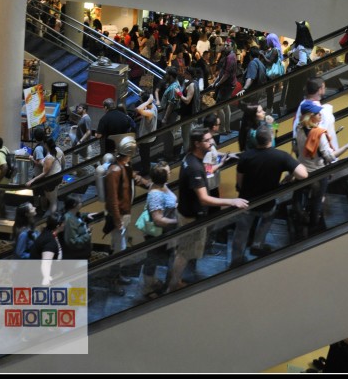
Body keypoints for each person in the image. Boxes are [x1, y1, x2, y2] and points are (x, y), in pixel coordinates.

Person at [167, 126, 248, 291]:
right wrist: (232, 201)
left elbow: (204, 170)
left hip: (188, 213)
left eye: (211, 139)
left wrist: (221, 163)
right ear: (197, 143)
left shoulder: (191, 158)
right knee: (183, 253)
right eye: (207, 140)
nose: (212, 142)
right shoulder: (194, 167)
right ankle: (173, 285)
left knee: (185, 251)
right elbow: (204, 198)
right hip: (190, 216)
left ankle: (176, 280)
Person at [231, 125, 308, 265]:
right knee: (267, 219)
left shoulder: (246, 157)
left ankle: (236, 260)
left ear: (256, 140)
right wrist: (290, 173)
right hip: (268, 202)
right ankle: (257, 244)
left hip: (246, 203)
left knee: (241, 232)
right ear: (271, 138)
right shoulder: (280, 156)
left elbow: (240, 182)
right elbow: (303, 174)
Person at [293, 101, 348, 232]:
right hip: (318, 172)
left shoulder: (299, 128)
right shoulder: (319, 134)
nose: (320, 116)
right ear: (310, 116)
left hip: (303, 170)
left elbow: (296, 148)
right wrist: (347, 146)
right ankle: (313, 227)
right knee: (317, 201)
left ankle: (300, 217)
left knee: (299, 196)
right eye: (317, 114)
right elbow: (330, 157)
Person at [104, 136, 145, 264]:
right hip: (119, 214)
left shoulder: (124, 165)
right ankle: (116, 274)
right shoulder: (115, 171)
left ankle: (117, 270)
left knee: (120, 242)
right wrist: (117, 220)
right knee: (120, 247)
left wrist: (150, 184)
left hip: (124, 212)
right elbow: (113, 199)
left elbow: (134, 177)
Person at [141, 162, 178, 299]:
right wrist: (177, 221)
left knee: (162, 257)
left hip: (167, 231)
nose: (170, 173)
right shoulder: (156, 194)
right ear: (162, 177)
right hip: (157, 233)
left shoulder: (161, 186)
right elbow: (158, 219)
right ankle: (148, 287)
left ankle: (158, 283)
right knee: (152, 259)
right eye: (168, 172)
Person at [26, 136, 66, 216]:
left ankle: (52, 217)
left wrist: (32, 180)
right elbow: (63, 161)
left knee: (52, 201)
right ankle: (54, 215)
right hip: (58, 176)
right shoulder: (58, 150)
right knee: (54, 198)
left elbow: (44, 173)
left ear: (46, 144)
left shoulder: (49, 157)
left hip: (50, 180)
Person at [210, 38, 237, 134]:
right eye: (225, 45)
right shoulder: (230, 55)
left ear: (232, 46)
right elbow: (222, 72)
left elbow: (226, 74)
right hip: (228, 84)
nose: (225, 47)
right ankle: (227, 128)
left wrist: (218, 83)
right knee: (225, 106)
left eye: (227, 45)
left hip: (227, 85)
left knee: (219, 106)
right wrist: (216, 81)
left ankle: (223, 129)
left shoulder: (230, 57)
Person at [30, 213, 64, 284]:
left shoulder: (48, 232)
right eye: (64, 223)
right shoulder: (49, 241)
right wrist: (46, 277)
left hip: (49, 273)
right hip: (40, 278)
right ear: (58, 226)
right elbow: (46, 262)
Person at [61, 194, 93, 259]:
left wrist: (87, 215)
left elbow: (79, 217)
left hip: (81, 253)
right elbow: (72, 242)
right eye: (80, 202)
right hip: (76, 257)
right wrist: (87, 235)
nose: (82, 203)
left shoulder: (74, 214)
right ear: (74, 205)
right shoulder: (69, 220)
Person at [135, 91, 158, 177]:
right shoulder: (153, 106)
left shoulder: (150, 112)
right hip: (148, 136)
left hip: (146, 138)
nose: (140, 102)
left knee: (144, 155)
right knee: (145, 154)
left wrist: (147, 101)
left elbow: (138, 109)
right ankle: (146, 168)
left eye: (141, 101)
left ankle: (145, 171)